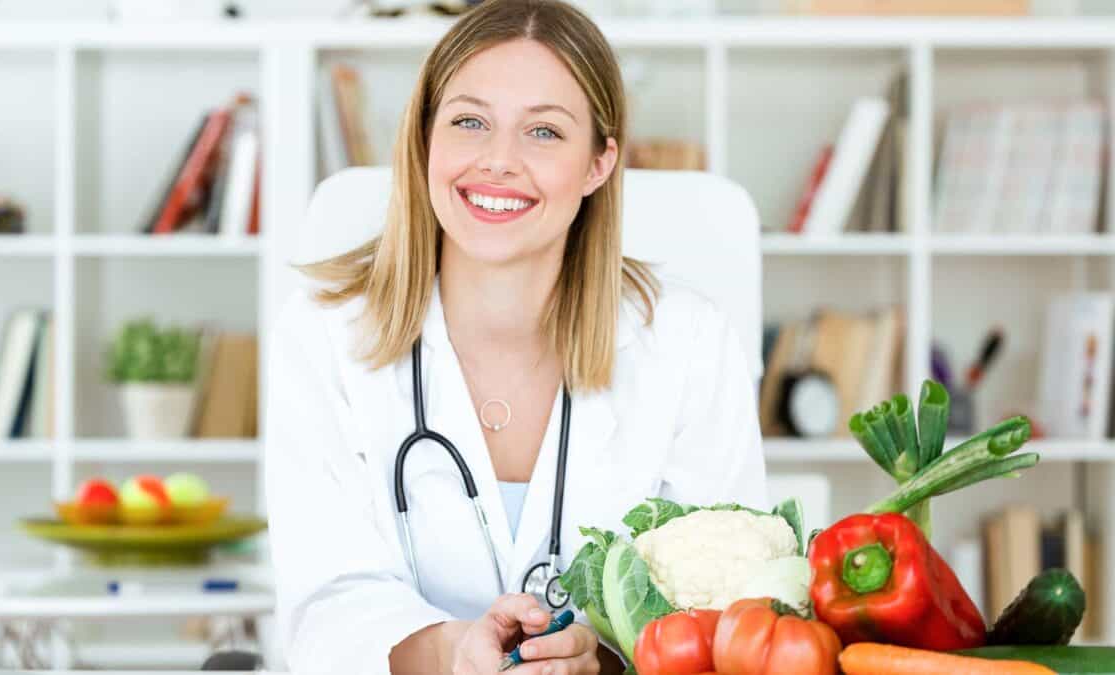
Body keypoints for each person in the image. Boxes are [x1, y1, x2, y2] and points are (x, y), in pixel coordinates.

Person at [264, 1, 768, 672]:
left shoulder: (690, 342)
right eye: (470, 122)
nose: (498, 161)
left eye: (544, 132)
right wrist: (452, 649)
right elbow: (322, 606)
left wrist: (604, 659)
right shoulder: (322, 334)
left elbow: (727, 610)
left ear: (598, 163)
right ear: (424, 141)